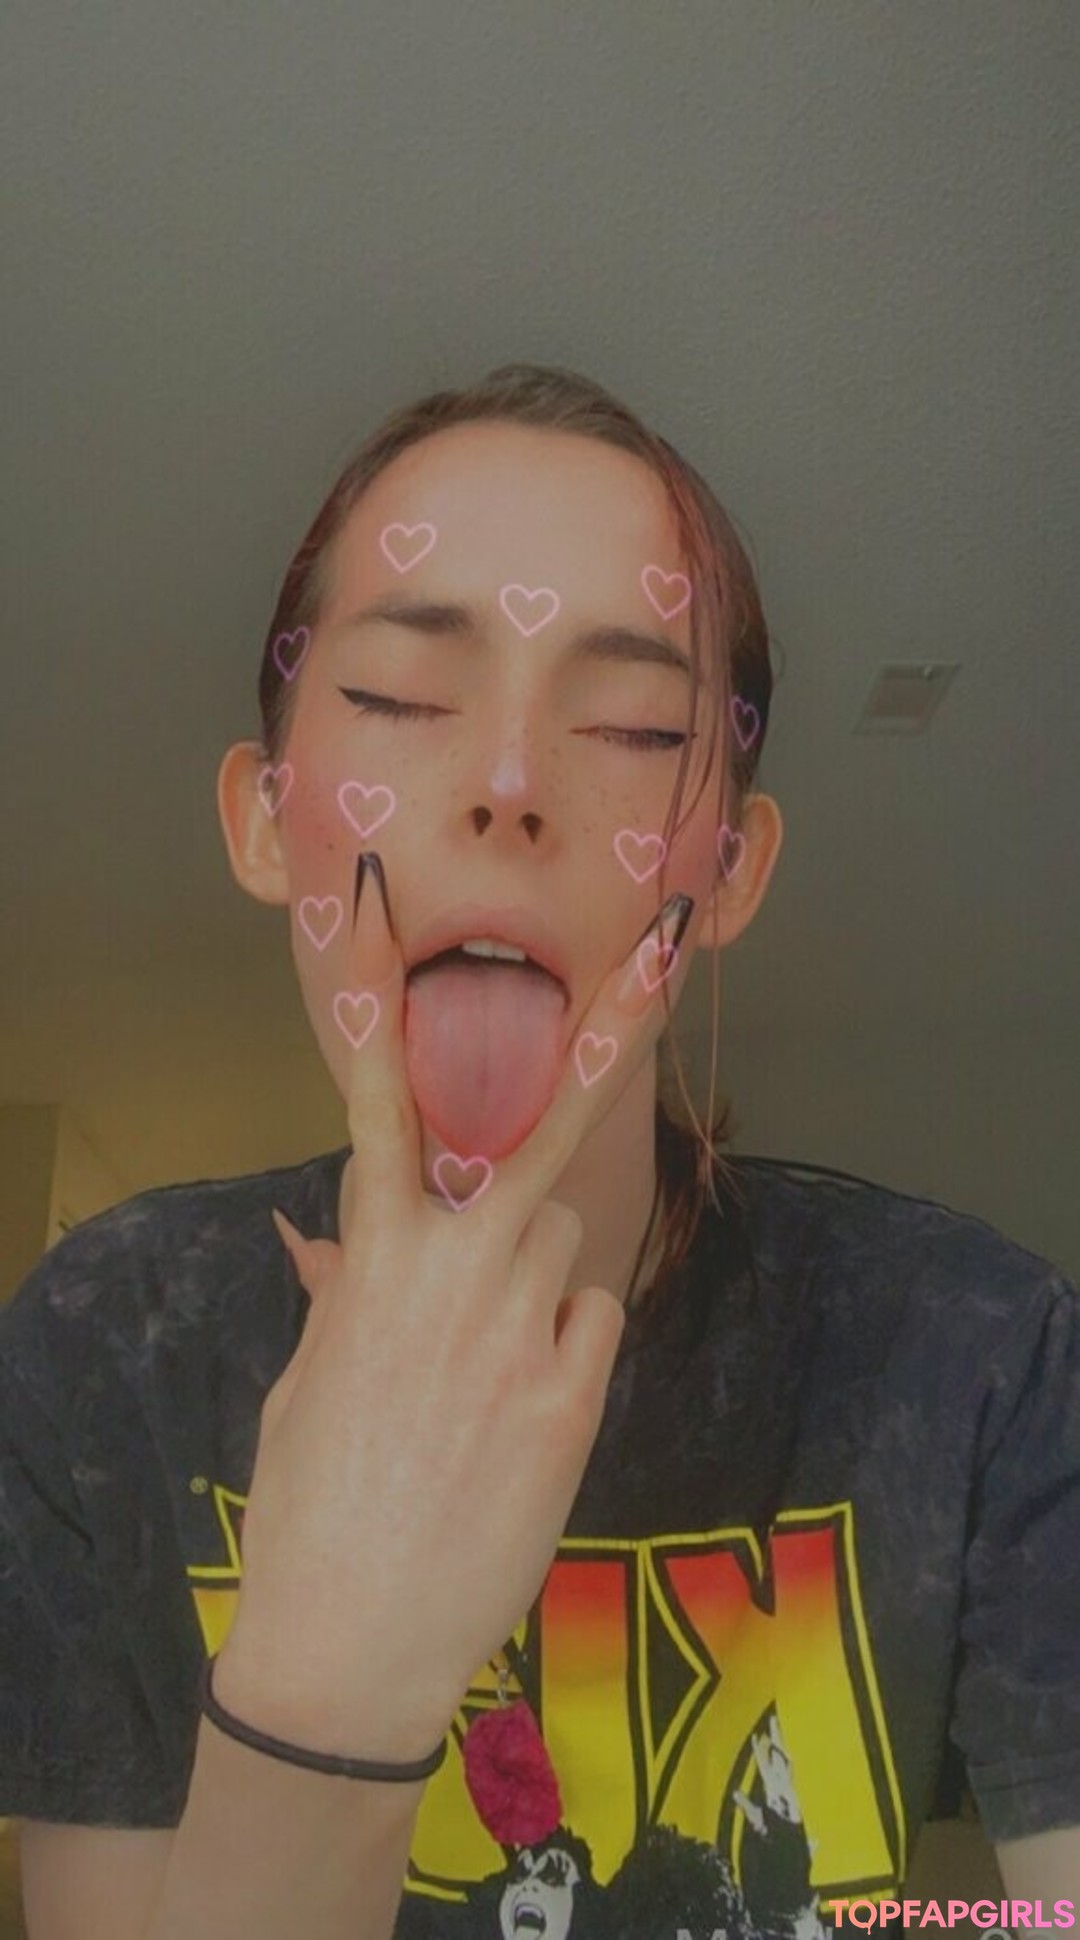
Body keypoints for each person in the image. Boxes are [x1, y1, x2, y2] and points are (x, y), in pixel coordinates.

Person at [1, 363, 1077, 1940]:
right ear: (262, 817)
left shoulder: (984, 1361)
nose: (510, 784)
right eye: (398, 697)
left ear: (729, 868)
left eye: (636, 724)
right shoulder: (105, 1344)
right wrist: (325, 1679)